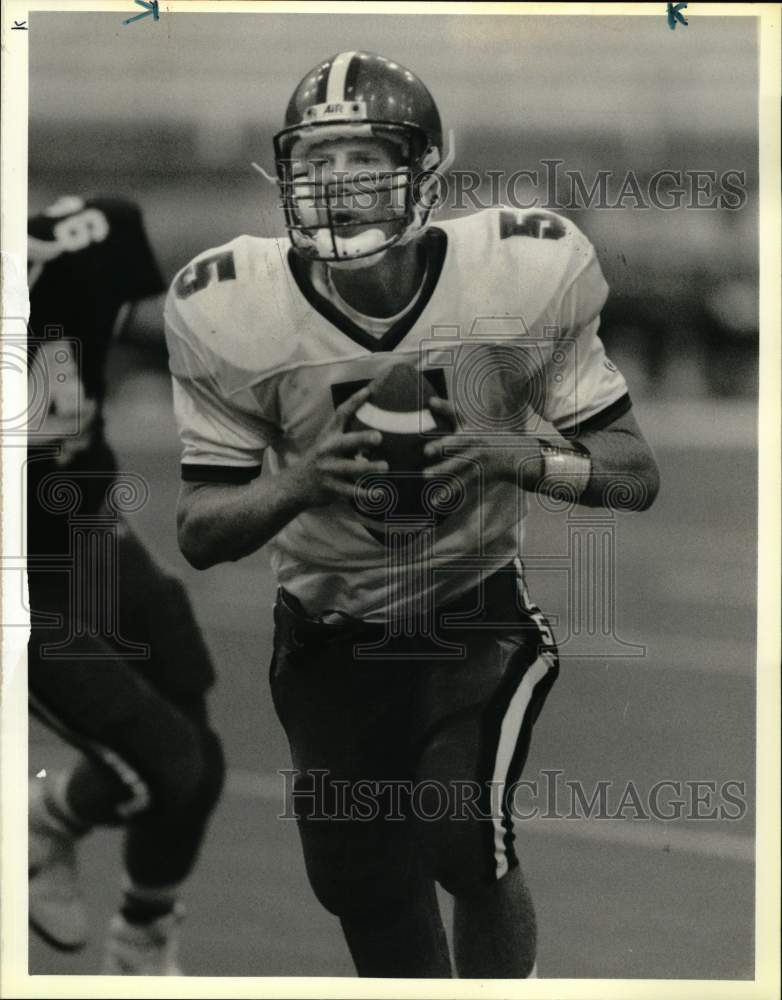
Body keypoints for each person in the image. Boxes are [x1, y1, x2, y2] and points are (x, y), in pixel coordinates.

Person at [166, 52, 660, 978]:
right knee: (362, 886)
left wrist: (522, 457)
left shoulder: (521, 270)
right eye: (318, 159)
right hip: (326, 633)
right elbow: (200, 529)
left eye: (365, 154)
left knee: (457, 837)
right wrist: (298, 483)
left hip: (474, 613)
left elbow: (633, 473)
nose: (338, 180)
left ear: (427, 165)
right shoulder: (230, 303)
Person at [26, 195, 225, 975]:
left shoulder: (77, 242)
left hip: (91, 534)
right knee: (171, 768)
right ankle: (46, 822)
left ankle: (138, 937)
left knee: (196, 747)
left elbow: (153, 327)